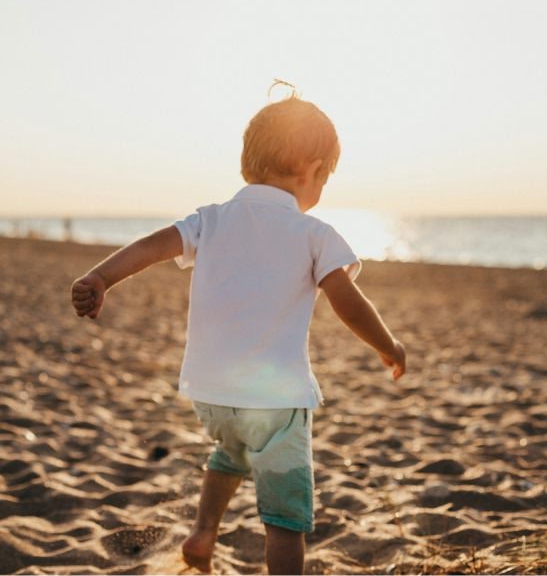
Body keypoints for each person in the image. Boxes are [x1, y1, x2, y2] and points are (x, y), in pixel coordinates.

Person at [69, 94, 409, 575]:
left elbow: (151, 246)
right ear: (313, 170)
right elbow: (348, 302)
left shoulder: (210, 218)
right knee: (285, 519)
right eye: (325, 179)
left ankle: (203, 533)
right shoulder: (315, 233)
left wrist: (101, 277)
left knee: (230, 453)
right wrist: (388, 346)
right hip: (276, 402)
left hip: (212, 395)